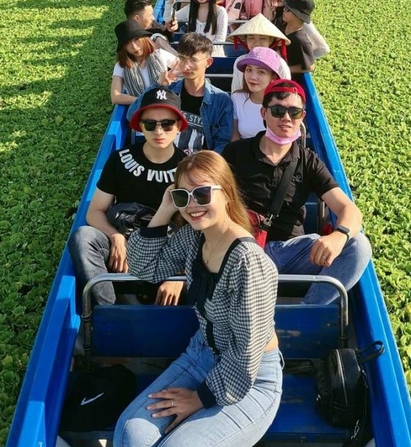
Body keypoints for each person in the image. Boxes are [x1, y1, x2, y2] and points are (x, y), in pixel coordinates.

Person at [113, 151, 281, 447]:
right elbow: (145, 267)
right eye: (182, 196)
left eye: (202, 193)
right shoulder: (195, 237)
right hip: (201, 355)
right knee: (129, 440)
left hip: (251, 378)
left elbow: (246, 353)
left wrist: (199, 398)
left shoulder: (248, 263)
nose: (192, 204)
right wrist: (164, 210)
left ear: (227, 194)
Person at [222, 80, 372, 305]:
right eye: (278, 110)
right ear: (264, 113)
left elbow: (348, 209)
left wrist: (339, 236)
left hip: (294, 251)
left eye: (294, 112)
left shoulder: (308, 160)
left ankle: (308, 310)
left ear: (302, 116)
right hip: (246, 248)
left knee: (358, 246)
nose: (286, 118)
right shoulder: (236, 152)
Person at [68, 87, 189, 308]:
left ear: (179, 126)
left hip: (168, 249)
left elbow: (198, 227)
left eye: (167, 124)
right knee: (83, 237)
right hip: (125, 238)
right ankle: (110, 309)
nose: (158, 131)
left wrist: (180, 275)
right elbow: (94, 212)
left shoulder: (187, 168)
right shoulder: (120, 160)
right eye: (150, 124)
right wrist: (115, 236)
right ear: (141, 126)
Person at [153, 33, 234, 153]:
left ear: (208, 62)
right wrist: (157, 86)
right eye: (182, 58)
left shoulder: (221, 100)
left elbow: (222, 143)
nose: (186, 66)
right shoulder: (168, 91)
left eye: (193, 60)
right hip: (167, 159)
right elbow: (132, 114)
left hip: (200, 165)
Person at [111, 21, 178, 106]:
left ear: (144, 38)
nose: (134, 46)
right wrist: (145, 101)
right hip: (141, 111)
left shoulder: (161, 54)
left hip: (166, 104)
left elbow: (183, 68)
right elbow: (115, 97)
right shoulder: (121, 66)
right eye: (127, 43)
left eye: (136, 40)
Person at [164, 0, 228, 55]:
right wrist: (170, 1)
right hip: (192, 56)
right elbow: (168, 19)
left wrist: (202, 56)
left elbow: (220, 41)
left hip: (214, 56)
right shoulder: (190, 9)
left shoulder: (220, 12)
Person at [231, 47, 285, 140]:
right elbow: (234, 137)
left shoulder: (282, 103)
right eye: (249, 70)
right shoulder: (237, 98)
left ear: (273, 77)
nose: (253, 77)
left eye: (261, 72)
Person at [228, 14, 291, 91]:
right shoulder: (240, 61)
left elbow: (285, 91)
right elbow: (236, 90)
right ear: (246, 40)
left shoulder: (280, 63)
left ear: (270, 40)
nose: (257, 43)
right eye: (251, 38)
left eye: (262, 39)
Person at [280, 0, 330, 74]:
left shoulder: (301, 40)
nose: (283, 10)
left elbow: (310, 67)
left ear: (297, 16)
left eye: (287, 9)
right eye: (284, 7)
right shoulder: (282, 25)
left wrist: (284, 70)